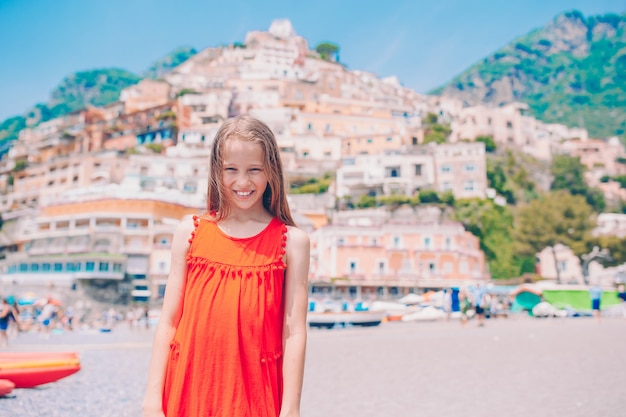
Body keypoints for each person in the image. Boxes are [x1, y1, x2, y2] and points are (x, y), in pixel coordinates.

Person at [142, 115, 310, 417]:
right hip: (188, 389)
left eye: (254, 170)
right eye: (231, 169)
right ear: (215, 172)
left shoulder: (291, 242)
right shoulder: (190, 232)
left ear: (272, 171)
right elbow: (168, 322)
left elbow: (294, 332)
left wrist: (291, 409)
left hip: (255, 394)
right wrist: (152, 400)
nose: (242, 182)